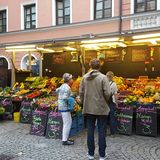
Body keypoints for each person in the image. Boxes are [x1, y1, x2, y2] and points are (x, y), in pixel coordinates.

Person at [79, 59, 111, 160]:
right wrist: (105, 101)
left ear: (90, 65)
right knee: (101, 131)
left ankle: (90, 154)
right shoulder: (103, 77)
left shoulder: (84, 78)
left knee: (90, 130)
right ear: (100, 66)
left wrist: (84, 102)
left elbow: (81, 93)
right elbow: (108, 93)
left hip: (89, 107)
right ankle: (102, 155)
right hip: (101, 108)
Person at [56, 73, 74, 145]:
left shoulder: (63, 85)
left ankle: (66, 138)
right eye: (71, 79)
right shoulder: (67, 87)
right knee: (67, 123)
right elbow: (64, 97)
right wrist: (71, 99)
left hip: (61, 106)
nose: (72, 80)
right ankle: (65, 140)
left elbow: (57, 90)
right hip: (64, 107)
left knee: (68, 122)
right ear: (69, 80)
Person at [106, 71, 118, 137]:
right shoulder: (114, 84)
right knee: (112, 117)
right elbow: (115, 95)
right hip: (111, 102)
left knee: (104, 118)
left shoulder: (103, 83)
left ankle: (103, 132)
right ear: (112, 76)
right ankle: (112, 133)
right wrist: (117, 103)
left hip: (104, 102)